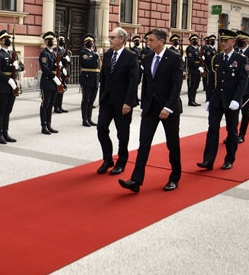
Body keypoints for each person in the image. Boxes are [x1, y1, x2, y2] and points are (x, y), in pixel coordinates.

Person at [118, 28, 184, 193]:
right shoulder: (147, 58)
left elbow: (176, 86)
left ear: (161, 41)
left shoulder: (174, 58)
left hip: (168, 108)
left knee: (172, 144)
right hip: (150, 108)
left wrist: (168, 107)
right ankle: (136, 180)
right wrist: (144, 105)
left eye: (151, 40)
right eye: (147, 40)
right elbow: (146, 84)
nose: (148, 43)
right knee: (144, 144)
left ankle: (175, 177)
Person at [197, 28, 248, 171]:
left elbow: (243, 82)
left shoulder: (241, 59)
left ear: (233, 41)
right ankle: (208, 160)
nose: (223, 43)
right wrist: (208, 99)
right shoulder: (216, 58)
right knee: (212, 130)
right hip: (217, 100)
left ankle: (229, 159)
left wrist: (237, 99)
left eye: (226, 41)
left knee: (232, 131)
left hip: (231, 101)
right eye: (221, 41)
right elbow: (211, 81)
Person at [96, 27, 138, 175]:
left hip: (122, 103)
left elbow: (133, 82)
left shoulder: (131, 56)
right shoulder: (108, 55)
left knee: (122, 134)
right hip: (107, 101)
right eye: (110, 37)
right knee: (101, 129)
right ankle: (107, 159)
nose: (110, 40)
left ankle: (121, 161)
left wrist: (129, 102)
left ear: (122, 39)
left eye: (113, 37)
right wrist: (101, 98)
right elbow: (103, 78)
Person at [0, 30, 23, 144]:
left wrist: (18, 67)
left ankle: (5, 132)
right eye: (5, 39)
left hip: (12, 86)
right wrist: (8, 80)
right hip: (3, 86)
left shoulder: (13, 54)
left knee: (8, 110)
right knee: (1, 110)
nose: (7, 40)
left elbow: (22, 66)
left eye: (8, 38)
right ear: (0, 41)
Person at [39, 31, 61, 135]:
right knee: (45, 104)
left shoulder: (54, 53)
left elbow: (55, 66)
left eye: (52, 40)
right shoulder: (44, 53)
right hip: (47, 81)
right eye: (49, 40)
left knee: (51, 104)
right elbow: (45, 68)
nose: (51, 41)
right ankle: (43, 126)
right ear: (45, 42)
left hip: (54, 82)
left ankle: (49, 124)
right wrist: (54, 77)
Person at [79, 33, 100, 127]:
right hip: (87, 79)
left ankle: (89, 118)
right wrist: (95, 56)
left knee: (91, 100)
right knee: (86, 100)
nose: (90, 43)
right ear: (85, 43)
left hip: (95, 79)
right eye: (88, 41)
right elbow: (86, 63)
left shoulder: (93, 53)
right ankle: (85, 119)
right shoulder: (83, 52)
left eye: (91, 41)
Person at [53, 34, 70, 113]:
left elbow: (69, 63)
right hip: (58, 72)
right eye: (61, 40)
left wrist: (68, 60)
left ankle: (60, 106)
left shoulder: (66, 51)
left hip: (63, 72)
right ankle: (56, 107)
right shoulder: (55, 49)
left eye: (63, 40)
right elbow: (54, 59)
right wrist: (62, 59)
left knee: (62, 89)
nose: (62, 41)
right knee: (57, 90)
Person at [185, 34, 204, 106]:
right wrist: (198, 67)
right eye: (194, 40)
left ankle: (194, 100)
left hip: (198, 70)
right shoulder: (189, 49)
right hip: (192, 70)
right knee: (191, 86)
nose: (195, 41)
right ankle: (190, 101)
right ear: (191, 41)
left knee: (196, 85)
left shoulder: (197, 49)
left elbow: (199, 59)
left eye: (196, 40)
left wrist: (202, 59)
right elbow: (191, 61)